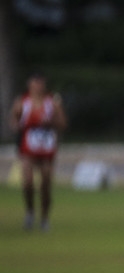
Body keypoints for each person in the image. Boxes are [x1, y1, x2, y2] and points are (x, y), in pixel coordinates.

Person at [9, 72, 67, 232]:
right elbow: (13, 121)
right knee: (27, 181)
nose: (38, 86)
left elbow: (62, 123)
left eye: (41, 83)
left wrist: (51, 122)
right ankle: (29, 212)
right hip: (28, 145)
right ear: (30, 85)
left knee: (46, 182)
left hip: (46, 146)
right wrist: (18, 126)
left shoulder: (52, 102)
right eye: (35, 83)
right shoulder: (23, 102)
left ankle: (44, 218)